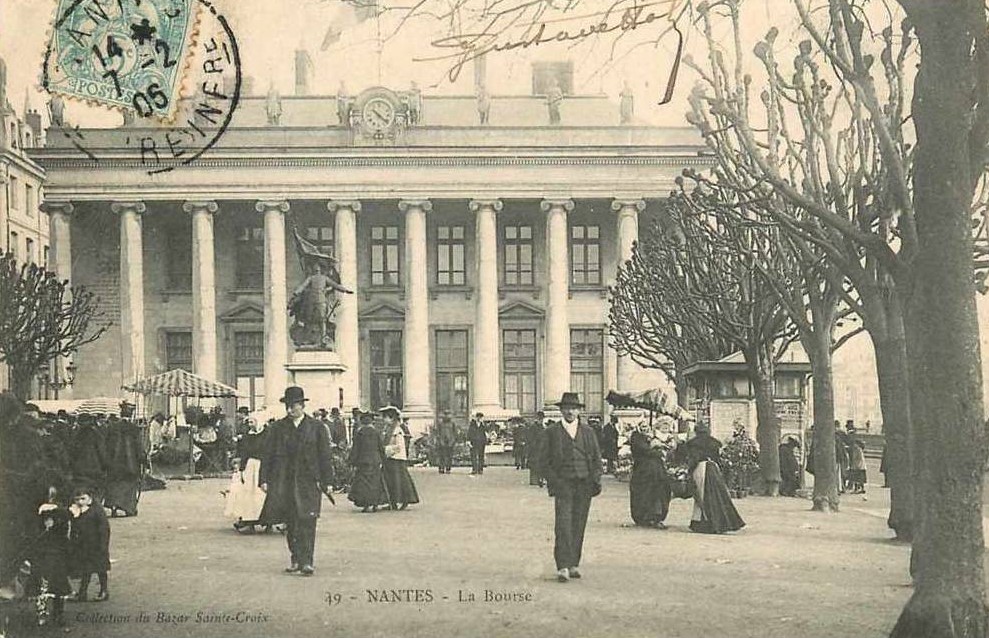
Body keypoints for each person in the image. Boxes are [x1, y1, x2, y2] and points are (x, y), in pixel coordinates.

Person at [259, 386, 335, 576]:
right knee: (291, 522)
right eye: (288, 406)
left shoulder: (316, 427)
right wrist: (264, 479)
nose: (290, 410)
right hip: (284, 480)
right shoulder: (277, 427)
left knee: (308, 520)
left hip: (309, 481)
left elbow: (325, 456)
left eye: (294, 406)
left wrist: (329, 481)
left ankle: (307, 561)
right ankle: (295, 557)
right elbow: (267, 455)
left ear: (302, 405)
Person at [536, 393, 603, 583]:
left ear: (579, 410)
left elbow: (597, 460)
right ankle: (562, 566)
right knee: (563, 525)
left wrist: (594, 479)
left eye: (573, 408)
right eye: (566, 408)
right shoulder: (552, 432)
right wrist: (554, 481)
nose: (570, 411)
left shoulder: (588, 432)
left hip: (584, 484)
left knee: (578, 524)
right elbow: (543, 461)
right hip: (563, 484)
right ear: (561, 410)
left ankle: (574, 564)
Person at [679, 423, 745, 534]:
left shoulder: (694, 444)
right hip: (714, 468)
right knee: (718, 495)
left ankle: (704, 523)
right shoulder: (714, 443)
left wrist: (689, 471)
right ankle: (721, 522)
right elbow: (718, 459)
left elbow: (694, 458)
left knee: (702, 495)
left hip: (701, 468)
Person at [226, 417, 270, 532]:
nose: (250, 425)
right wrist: (241, 467)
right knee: (249, 494)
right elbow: (244, 451)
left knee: (261, 494)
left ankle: (266, 521)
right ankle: (248, 521)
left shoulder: (267, 434)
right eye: (249, 422)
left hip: (262, 465)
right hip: (250, 466)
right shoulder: (248, 435)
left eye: (252, 422)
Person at [628, 420, 673, 529]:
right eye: (642, 426)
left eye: (646, 426)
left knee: (659, 493)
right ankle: (644, 517)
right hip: (643, 471)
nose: (645, 429)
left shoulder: (652, 437)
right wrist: (655, 449)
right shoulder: (636, 437)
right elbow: (644, 450)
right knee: (644, 494)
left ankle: (656, 516)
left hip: (657, 472)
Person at [68, 487, 110, 602]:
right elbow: (74, 529)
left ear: (90, 498)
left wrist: (103, 545)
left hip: (96, 544)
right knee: (86, 570)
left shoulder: (97, 510)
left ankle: (104, 590)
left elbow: (104, 528)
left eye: (83, 498)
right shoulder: (76, 510)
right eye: (77, 499)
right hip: (83, 545)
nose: (80, 502)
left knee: (101, 569)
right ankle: (82, 593)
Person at [32, 503, 72, 626]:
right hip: (43, 561)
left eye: (50, 519)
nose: (48, 522)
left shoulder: (61, 530)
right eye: (45, 519)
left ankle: (58, 614)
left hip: (57, 561)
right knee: (42, 588)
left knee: (58, 589)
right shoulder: (39, 531)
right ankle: (42, 613)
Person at [347, 411, 390, 512]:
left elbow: (355, 448)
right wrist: (383, 460)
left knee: (364, 484)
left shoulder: (359, 433)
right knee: (375, 483)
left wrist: (351, 461)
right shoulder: (376, 432)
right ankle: (375, 504)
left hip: (363, 461)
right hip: (375, 460)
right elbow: (380, 447)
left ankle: (366, 504)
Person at [380, 407, 420, 510]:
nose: (384, 420)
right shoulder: (388, 429)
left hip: (396, 459)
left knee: (399, 481)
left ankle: (404, 500)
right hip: (391, 459)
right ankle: (392, 502)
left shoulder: (397, 430)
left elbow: (399, 446)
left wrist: (386, 450)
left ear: (391, 418)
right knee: (391, 481)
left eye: (385, 417)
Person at [104, 416, 144, 517]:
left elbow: (107, 445)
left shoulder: (112, 427)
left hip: (114, 463)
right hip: (130, 464)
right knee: (129, 486)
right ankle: (128, 508)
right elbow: (139, 446)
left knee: (114, 486)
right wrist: (143, 459)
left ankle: (114, 507)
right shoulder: (133, 428)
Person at [527, 412, 546, 487]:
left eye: (541, 419)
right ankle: (534, 480)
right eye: (539, 419)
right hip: (535, 448)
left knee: (540, 464)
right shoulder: (534, 427)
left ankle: (539, 479)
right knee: (535, 464)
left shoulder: (541, 426)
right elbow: (531, 438)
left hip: (540, 448)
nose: (540, 420)